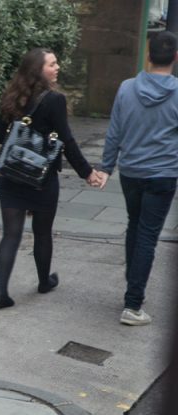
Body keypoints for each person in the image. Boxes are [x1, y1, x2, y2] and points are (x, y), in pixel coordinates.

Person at [0, 48, 107, 310]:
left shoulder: (11, 97)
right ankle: (44, 281)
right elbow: (66, 140)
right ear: (38, 70)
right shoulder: (54, 100)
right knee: (42, 232)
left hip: (11, 176)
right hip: (41, 178)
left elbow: (2, 137)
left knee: (10, 235)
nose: (57, 68)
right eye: (52, 64)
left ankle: (1, 292)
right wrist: (87, 173)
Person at [99, 30, 178, 327]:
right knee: (147, 235)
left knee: (136, 226)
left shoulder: (126, 88)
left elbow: (115, 131)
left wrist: (106, 167)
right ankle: (133, 304)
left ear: (148, 55)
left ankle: (133, 288)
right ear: (175, 57)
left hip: (131, 172)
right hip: (163, 174)